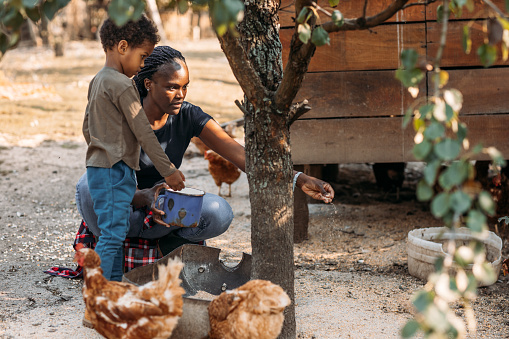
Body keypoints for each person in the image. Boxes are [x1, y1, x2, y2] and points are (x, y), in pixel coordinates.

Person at [75, 45, 335, 276]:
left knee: (218, 212)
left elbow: (239, 154)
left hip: (162, 214)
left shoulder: (188, 116)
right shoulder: (118, 114)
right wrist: (143, 196)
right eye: (172, 87)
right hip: (121, 206)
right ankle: (115, 251)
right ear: (148, 85)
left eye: (185, 86)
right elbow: (104, 173)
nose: (181, 94)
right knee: (88, 185)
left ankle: (166, 249)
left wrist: (298, 178)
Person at [83, 17, 185, 283]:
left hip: (97, 168)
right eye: (142, 57)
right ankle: (100, 302)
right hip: (115, 170)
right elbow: (144, 132)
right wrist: (169, 171)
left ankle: (112, 293)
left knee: (112, 232)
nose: (142, 67)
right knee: (113, 235)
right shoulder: (122, 84)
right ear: (123, 46)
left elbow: (86, 128)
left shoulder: (97, 81)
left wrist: (101, 148)